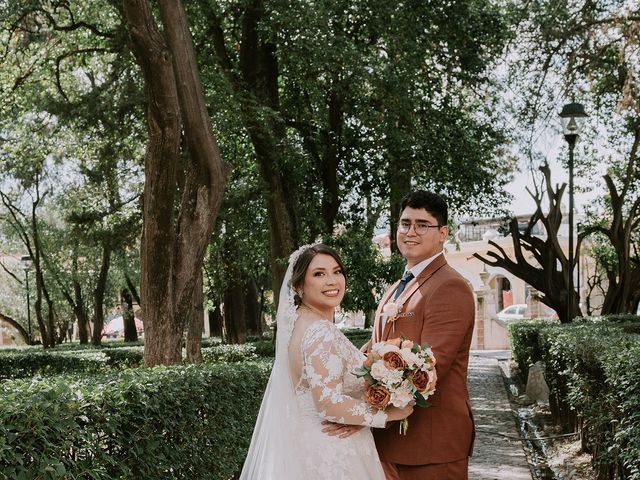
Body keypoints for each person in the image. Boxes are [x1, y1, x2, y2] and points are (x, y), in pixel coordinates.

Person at [240, 243, 412, 480]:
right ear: (299, 286)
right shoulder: (320, 330)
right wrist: (390, 413)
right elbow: (328, 403)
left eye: (337, 271)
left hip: (306, 443)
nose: (332, 281)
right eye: (319, 274)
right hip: (334, 450)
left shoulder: (298, 325)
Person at [366, 190, 476, 480]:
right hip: (387, 440)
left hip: (431, 443)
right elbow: (373, 349)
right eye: (405, 223)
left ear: (443, 233)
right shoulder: (396, 287)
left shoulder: (450, 286)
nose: (410, 232)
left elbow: (430, 365)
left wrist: (358, 408)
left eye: (422, 225)